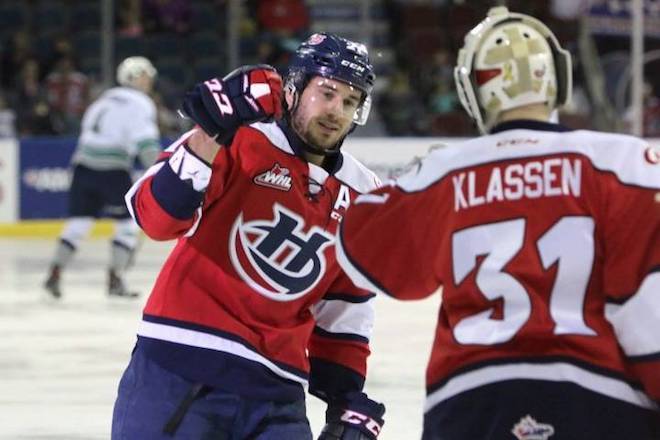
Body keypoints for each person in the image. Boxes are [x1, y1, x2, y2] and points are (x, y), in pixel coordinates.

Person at [337, 7, 660, 440]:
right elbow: (646, 306)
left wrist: (423, 181)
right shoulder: (624, 163)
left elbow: (366, 252)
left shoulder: (444, 172)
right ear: (557, 79)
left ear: (474, 90)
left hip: (468, 405)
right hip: (596, 401)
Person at [112, 33, 386, 439]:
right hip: (180, 371)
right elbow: (155, 219)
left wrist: (345, 400)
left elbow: (345, 310)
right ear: (293, 90)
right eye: (327, 93)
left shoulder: (364, 193)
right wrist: (210, 133)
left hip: (276, 397)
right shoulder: (242, 137)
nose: (336, 111)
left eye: (350, 102)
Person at [44, 56, 161, 299]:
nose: (149, 80)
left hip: (83, 167)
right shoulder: (140, 103)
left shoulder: (104, 99)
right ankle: (115, 280)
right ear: (133, 77)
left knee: (78, 223)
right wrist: (162, 173)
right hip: (113, 170)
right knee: (128, 225)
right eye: (145, 75)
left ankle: (54, 273)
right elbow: (146, 144)